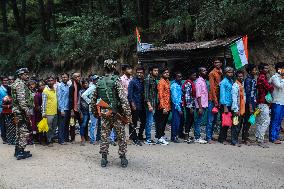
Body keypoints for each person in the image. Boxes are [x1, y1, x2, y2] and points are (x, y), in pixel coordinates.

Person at [91, 59, 131, 168]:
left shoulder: (99, 81)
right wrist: (128, 115)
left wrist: (95, 113)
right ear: (114, 68)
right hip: (117, 113)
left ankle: (104, 158)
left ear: (105, 68)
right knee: (121, 136)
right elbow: (123, 100)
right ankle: (122, 158)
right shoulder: (116, 80)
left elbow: (93, 100)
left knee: (104, 135)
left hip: (105, 113)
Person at [11, 68, 33, 160]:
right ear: (20, 75)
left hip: (18, 111)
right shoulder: (20, 84)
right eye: (25, 74)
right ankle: (20, 152)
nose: (27, 76)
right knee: (24, 132)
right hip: (21, 112)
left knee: (19, 131)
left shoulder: (16, 83)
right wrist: (27, 112)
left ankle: (18, 150)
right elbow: (21, 101)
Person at [255, 63, 274, 148]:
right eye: (265, 68)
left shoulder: (260, 77)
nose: (267, 69)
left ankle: (258, 138)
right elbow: (270, 88)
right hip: (263, 103)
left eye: (267, 68)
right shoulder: (262, 77)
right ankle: (261, 140)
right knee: (266, 121)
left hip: (260, 102)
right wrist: (271, 86)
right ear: (261, 69)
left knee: (259, 121)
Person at [127, 66, 146, 146]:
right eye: (138, 72)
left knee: (144, 121)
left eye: (141, 72)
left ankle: (140, 135)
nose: (139, 74)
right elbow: (129, 95)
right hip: (135, 105)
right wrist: (132, 104)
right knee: (134, 122)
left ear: (143, 73)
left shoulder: (143, 81)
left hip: (142, 105)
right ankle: (134, 138)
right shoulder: (132, 82)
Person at [207, 58, 223, 143]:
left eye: (218, 62)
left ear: (221, 63)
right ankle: (208, 137)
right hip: (213, 99)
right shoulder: (212, 73)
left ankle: (211, 135)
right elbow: (212, 88)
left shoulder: (221, 72)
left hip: (220, 98)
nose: (217, 64)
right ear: (213, 64)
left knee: (216, 119)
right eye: (215, 62)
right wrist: (215, 100)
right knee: (211, 119)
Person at [218, 67, 234, 144]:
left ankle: (224, 137)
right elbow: (222, 95)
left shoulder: (231, 81)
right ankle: (222, 139)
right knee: (225, 122)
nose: (230, 74)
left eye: (231, 72)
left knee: (228, 123)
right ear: (225, 73)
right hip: (226, 105)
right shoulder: (223, 82)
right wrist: (224, 107)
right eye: (228, 72)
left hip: (231, 104)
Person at [269, 62, 284, 144]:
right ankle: (272, 137)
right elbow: (279, 86)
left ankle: (276, 136)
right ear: (279, 69)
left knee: (279, 120)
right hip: (276, 102)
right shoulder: (274, 77)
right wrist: (283, 78)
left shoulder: (281, 77)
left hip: (282, 102)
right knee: (275, 120)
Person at [82, 75, 99, 144]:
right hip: (93, 108)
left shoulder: (97, 87)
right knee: (93, 124)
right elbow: (83, 95)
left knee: (96, 124)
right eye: (95, 79)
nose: (97, 80)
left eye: (98, 79)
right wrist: (90, 102)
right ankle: (92, 139)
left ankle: (95, 138)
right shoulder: (92, 88)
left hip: (97, 107)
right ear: (93, 80)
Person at [144, 66, 159, 145]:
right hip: (150, 105)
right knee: (149, 122)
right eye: (155, 70)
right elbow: (146, 95)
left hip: (154, 104)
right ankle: (148, 139)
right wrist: (149, 105)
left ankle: (149, 138)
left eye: (157, 70)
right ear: (150, 71)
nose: (157, 72)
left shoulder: (154, 80)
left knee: (151, 122)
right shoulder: (148, 79)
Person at [243, 64, 258, 145]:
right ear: (250, 71)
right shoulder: (248, 80)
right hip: (249, 103)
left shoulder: (253, 79)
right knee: (247, 121)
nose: (255, 71)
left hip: (253, 102)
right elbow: (248, 94)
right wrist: (250, 106)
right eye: (254, 70)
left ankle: (245, 136)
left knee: (250, 121)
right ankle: (245, 138)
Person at [156, 67, 170, 145]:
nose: (167, 74)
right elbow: (160, 96)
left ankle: (161, 135)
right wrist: (163, 107)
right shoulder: (161, 82)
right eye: (165, 73)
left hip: (167, 105)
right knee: (160, 122)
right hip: (162, 106)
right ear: (162, 74)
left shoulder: (167, 81)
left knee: (164, 122)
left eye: (167, 72)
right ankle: (159, 138)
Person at [42, 76, 58, 147]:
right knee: (49, 128)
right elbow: (44, 102)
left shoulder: (55, 89)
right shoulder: (45, 90)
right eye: (49, 81)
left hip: (55, 111)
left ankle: (51, 137)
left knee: (54, 127)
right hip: (48, 112)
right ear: (47, 82)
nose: (50, 82)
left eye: (52, 80)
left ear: (54, 81)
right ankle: (49, 140)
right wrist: (43, 112)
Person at [231, 70, 246, 147]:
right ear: (236, 77)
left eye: (242, 76)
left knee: (239, 125)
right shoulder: (235, 85)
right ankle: (234, 141)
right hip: (236, 110)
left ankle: (235, 139)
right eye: (239, 76)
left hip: (241, 109)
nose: (241, 77)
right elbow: (234, 99)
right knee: (235, 124)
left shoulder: (241, 85)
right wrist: (235, 109)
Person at [194, 67, 208, 144]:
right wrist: (200, 107)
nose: (205, 72)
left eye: (205, 70)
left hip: (204, 104)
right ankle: (197, 137)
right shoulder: (199, 82)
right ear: (199, 73)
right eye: (203, 70)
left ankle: (198, 136)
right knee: (198, 122)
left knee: (199, 121)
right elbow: (198, 95)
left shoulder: (203, 81)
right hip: (201, 105)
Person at [182, 69, 197, 143]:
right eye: (193, 75)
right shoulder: (188, 83)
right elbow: (187, 96)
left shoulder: (192, 83)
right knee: (188, 120)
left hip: (191, 104)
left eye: (195, 75)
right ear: (190, 76)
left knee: (191, 120)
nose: (195, 76)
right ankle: (186, 136)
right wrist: (190, 107)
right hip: (189, 105)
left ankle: (187, 134)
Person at [57, 73, 70, 144]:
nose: (64, 78)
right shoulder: (60, 86)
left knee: (66, 124)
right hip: (63, 108)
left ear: (68, 78)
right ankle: (61, 140)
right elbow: (59, 98)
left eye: (66, 77)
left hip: (67, 108)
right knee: (61, 125)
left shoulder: (68, 86)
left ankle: (65, 138)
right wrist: (61, 109)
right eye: (63, 77)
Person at [69, 73, 82, 142]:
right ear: (73, 78)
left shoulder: (80, 85)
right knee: (72, 124)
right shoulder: (72, 87)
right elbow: (70, 99)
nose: (78, 78)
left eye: (79, 76)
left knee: (81, 123)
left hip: (79, 108)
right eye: (76, 77)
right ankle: (73, 138)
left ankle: (83, 137)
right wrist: (71, 110)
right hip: (73, 108)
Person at [171, 72, 183, 143]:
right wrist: (179, 108)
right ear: (175, 78)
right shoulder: (174, 86)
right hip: (176, 105)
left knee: (178, 121)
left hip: (179, 104)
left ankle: (175, 136)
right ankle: (174, 137)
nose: (180, 78)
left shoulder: (179, 85)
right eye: (178, 77)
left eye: (181, 77)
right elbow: (175, 98)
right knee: (175, 121)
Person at [78, 80, 90, 146]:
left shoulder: (91, 90)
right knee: (83, 124)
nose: (85, 84)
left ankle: (87, 137)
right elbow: (79, 102)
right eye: (84, 83)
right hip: (84, 111)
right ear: (82, 85)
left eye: (86, 83)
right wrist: (80, 112)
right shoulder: (81, 92)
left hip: (90, 110)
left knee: (88, 124)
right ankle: (82, 138)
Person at [34, 80, 45, 144]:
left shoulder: (46, 92)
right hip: (39, 112)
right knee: (40, 126)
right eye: (40, 86)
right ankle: (40, 139)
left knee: (45, 126)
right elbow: (37, 105)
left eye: (43, 85)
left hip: (46, 111)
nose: (42, 87)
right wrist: (41, 111)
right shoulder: (37, 94)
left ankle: (45, 138)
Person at [0, 76, 9, 143]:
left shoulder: (9, 87)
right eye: (4, 80)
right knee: (3, 123)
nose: (5, 81)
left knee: (9, 123)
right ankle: (4, 138)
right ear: (2, 81)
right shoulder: (0, 89)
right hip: (2, 108)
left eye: (6, 80)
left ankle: (9, 136)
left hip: (9, 108)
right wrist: (3, 102)